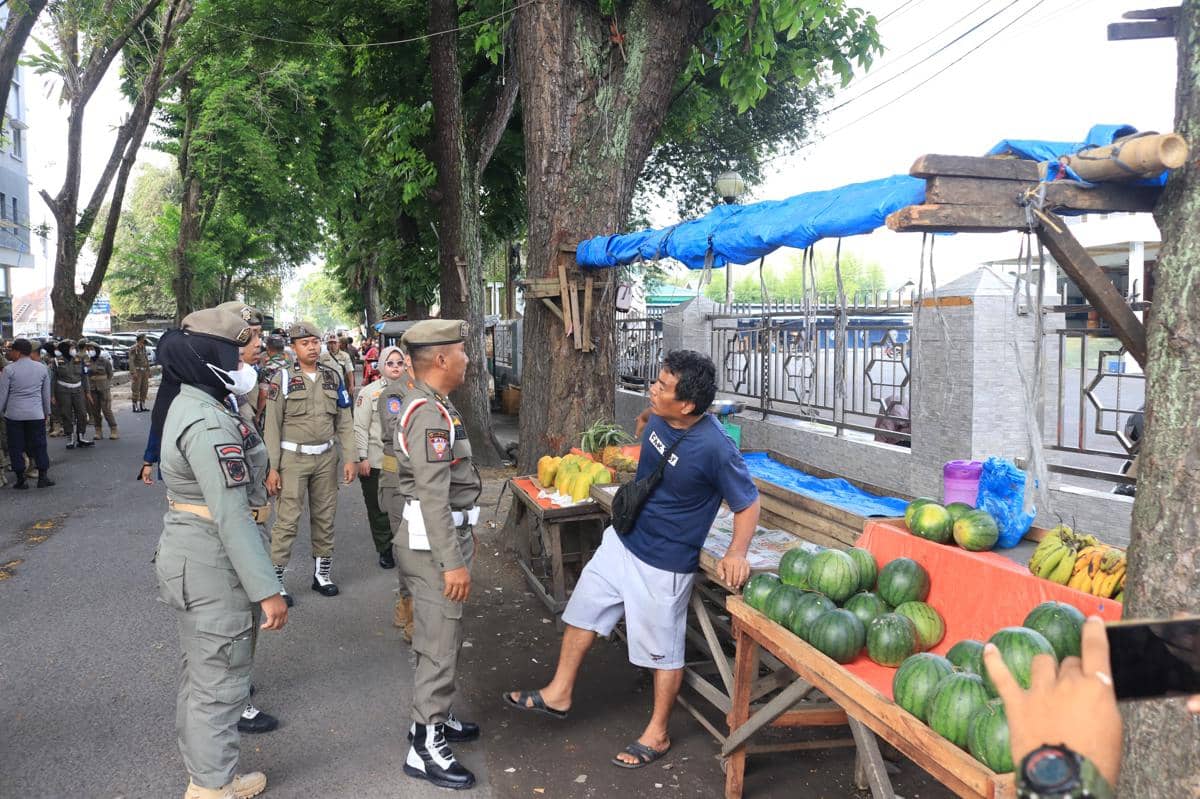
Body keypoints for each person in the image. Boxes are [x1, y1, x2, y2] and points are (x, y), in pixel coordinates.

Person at [506, 350, 760, 770]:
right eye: (656, 381)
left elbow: (747, 503)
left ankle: (658, 733)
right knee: (582, 612)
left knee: (662, 651)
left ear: (689, 405)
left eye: (662, 387)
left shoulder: (717, 448)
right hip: (623, 540)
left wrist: (737, 551)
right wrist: (645, 426)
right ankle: (559, 693)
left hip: (664, 562)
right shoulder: (661, 416)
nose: (653, 390)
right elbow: (647, 426)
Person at [152, 308, 287, 799]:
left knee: (203, 676)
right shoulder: (209, 421)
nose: (248, 354)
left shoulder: (202, 403)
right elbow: (230, 514)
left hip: (195, 557)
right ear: (213, 356)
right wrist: (269, 590)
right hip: (214, 562)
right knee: (221, 682)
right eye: (238, 347)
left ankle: (206, 775)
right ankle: (211, 790)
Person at [389, 319, 482, 790]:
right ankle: (425, 746)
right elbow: (432, 496)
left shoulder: (437, 404)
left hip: (433, 540)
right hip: (433, 547)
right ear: (442, 358)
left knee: (436, 638)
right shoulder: (428, 412)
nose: (469, 357)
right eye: (463, 350)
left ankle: (433, 718)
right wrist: (454, 562)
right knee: (440, 645)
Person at [263, 321, 356, 603]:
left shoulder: (332, 376)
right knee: (287, 521)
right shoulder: (282, 379)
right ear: (294, 347)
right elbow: (272, 426)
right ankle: (276, 580)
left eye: (315, 342)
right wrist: (273, 468)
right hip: (293, 459)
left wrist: (350, 457)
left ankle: (321, 575)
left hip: (326, 458)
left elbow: (345, 420)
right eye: (305, 343)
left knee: (325, 517)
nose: (312, 347)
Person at [352, 345, 408, 569]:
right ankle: (385, 550)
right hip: (377, 460)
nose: (395, 367)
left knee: (406, 506)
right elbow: (360, 427)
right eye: (390, 363)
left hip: (406, 462)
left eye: (399, 363)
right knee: (379, 508)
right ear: (382, 366)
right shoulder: (369, 393)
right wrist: (362, 457)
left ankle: (407, 550)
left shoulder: (413, 391)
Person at [376, 350, 417, 641]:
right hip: (399, 481)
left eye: (400, 361)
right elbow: (396, 432)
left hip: (428, 480)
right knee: (407, 548)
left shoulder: (434, 391)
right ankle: (409, 605)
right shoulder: (394, 394)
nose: (398, 366)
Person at [0, 338, 54, 489]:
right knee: (39, 445)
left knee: (15, 447)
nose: (10, 353)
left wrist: (1, 411)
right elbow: (45, 394)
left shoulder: (9, 370)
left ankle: (20, 480)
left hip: (14, 415)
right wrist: (47, 413)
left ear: (17, 351)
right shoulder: (41, 368)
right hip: (36, 414)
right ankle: (42, 477)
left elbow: (2, 396)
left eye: (12, 350)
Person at [214, 302, 265, 429]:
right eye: (250, 335)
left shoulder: (247, 376)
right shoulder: (212, 388)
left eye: (259, 335)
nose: (258, 343)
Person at [52, 340, 93, 449]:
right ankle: (70, 437)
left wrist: (87, 392)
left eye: (74, 347)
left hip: (78, 390)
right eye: (71, 348)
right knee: (66, 414)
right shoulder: (56, 361)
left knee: (82, 413)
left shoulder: (79, 359)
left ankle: (81, 436)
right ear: (65, 349)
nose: (73, 350)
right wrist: (52, 395)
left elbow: (84, 376)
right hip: (63, 391)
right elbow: (53, 379)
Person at [84, 340, 118, 440]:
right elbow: (85, 376)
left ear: (97, 350)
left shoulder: (104, 361)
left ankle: (113, 429)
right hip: (92, 389)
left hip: (104, 389)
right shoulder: (86, 362)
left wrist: (105, 383)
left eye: (92, 349)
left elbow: (110, 374)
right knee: (95, 411)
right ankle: (98, 431)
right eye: (89, 349)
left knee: (107, 410)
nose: (90, 351)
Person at [129, 333, 152, 412]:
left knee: (144, 389)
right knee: (136, 389)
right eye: (144, 339)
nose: (145, 341)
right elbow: (131, 361)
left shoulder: (143, 348)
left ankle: (143, 405)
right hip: (137, 372)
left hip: (144, 371)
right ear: (140, 339)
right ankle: (135, 406)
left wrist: (148, 371)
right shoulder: (134, 348)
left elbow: (146, 360)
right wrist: (133, 372)